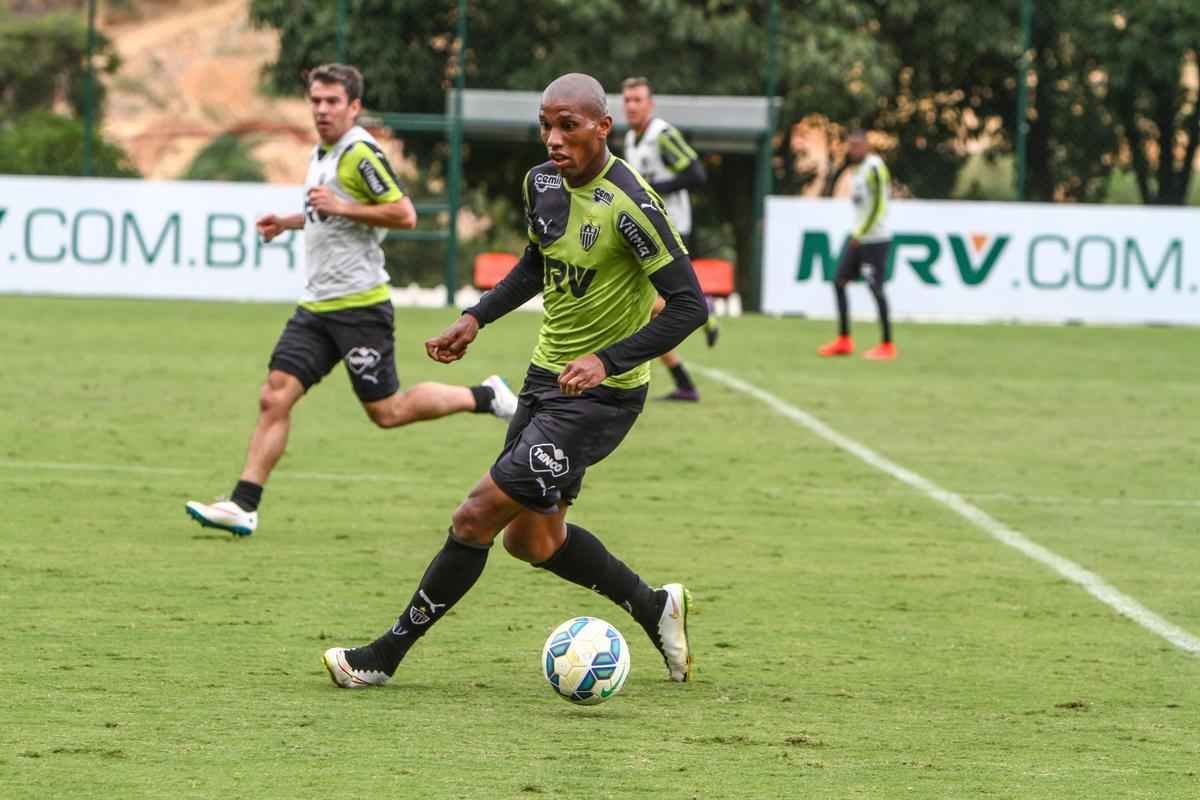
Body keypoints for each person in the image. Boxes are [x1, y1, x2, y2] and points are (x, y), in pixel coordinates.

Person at [321, 72, 707, 689]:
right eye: (545, 126)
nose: (553, 139)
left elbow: (690, 305)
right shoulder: (542, 183)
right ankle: (654, 605)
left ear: (603, 128)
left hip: (600, 399)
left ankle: (383, 657)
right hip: (544, 380)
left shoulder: (633, 205)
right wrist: (476, 317)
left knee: (475, 517)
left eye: (568, 126)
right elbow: (535, 262)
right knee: (533, 541)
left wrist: (607, 360)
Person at [185, 63, 516, 537]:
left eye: (332, 101)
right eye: (316, 101)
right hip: (317, 306)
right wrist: (288, 222)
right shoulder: (323, 152)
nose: (322, 109)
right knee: (274, 395)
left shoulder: (359, 153)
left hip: (360, 307)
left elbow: (403, 213)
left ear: (354, 106)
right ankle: (243, 505)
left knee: (388, 412)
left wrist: (340, 205)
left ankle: (486, 396)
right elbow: (327, 214)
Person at [621, 76, 718, 402]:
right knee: (647, 311)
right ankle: (684, 384)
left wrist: (653, 190)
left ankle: (701, 305)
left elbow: (696, 173)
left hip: (672, 227)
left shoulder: (662, 136)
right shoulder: (630, 139)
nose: (631, 106)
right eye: (627, 100)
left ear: (650, 104)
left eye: (638, 99)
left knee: (647, 307)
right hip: (647, 227)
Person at [817, 129, 897, 360]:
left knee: (875, 288)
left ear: (866, 146)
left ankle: (887, 344)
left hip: (875, 238)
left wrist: (861, 232)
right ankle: (844, 339)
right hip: (859, 237)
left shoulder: (875, 167)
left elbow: (880, 204)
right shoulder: (857, 170)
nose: (853, 150)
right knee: (839, 281)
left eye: (857, 145)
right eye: (850, 145)